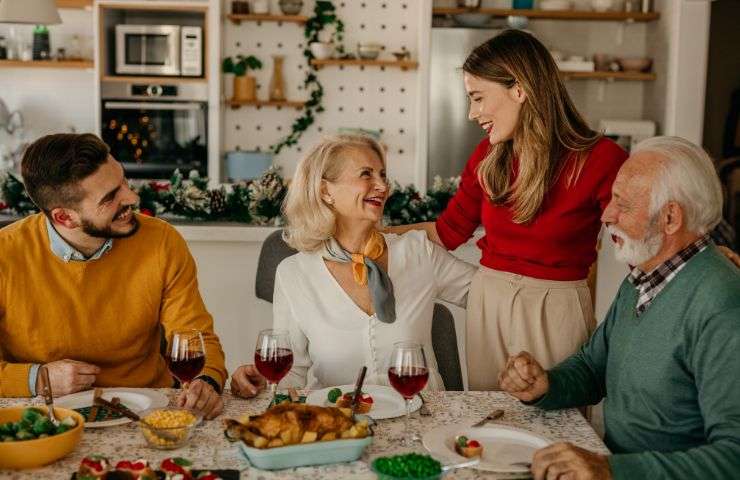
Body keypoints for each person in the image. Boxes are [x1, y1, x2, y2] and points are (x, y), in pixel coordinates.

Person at [390, 29, 628, 390]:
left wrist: (704, 255)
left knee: (553, 425)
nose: (472, 114)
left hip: (556, 309)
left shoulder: (601, 160)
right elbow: (446, 232)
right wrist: (366, 235)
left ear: (519, 89)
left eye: (478, 98)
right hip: (489, 304)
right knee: (489, 425)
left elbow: (642, 235)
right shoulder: (487, 158)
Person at [499, 137, 740, 480]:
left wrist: (611, 469)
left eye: (622, 204)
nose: (607, 214)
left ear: (670, 217)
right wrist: (546, 386)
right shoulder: (644, 276)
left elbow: (733, 458)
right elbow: (593, 368)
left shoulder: (721, 304)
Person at [0, 133, 227, 419]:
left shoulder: (162, 242)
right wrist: (37, 378)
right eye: (110, 197)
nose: (132, 197)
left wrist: (206, 381)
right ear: (64, 218)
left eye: (123, 181)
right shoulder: (5, 254)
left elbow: (196, 337)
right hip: (45, 415)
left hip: (149, 409)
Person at [230, 134, 476, 396]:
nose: (382, 185)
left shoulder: (418, 252)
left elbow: (492, 296)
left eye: (382, 174)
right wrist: (261, 382)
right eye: (366, 174)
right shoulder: (294, 273)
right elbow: (293, 371)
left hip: (421, 418)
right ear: (326, 191)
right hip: (339, 422)